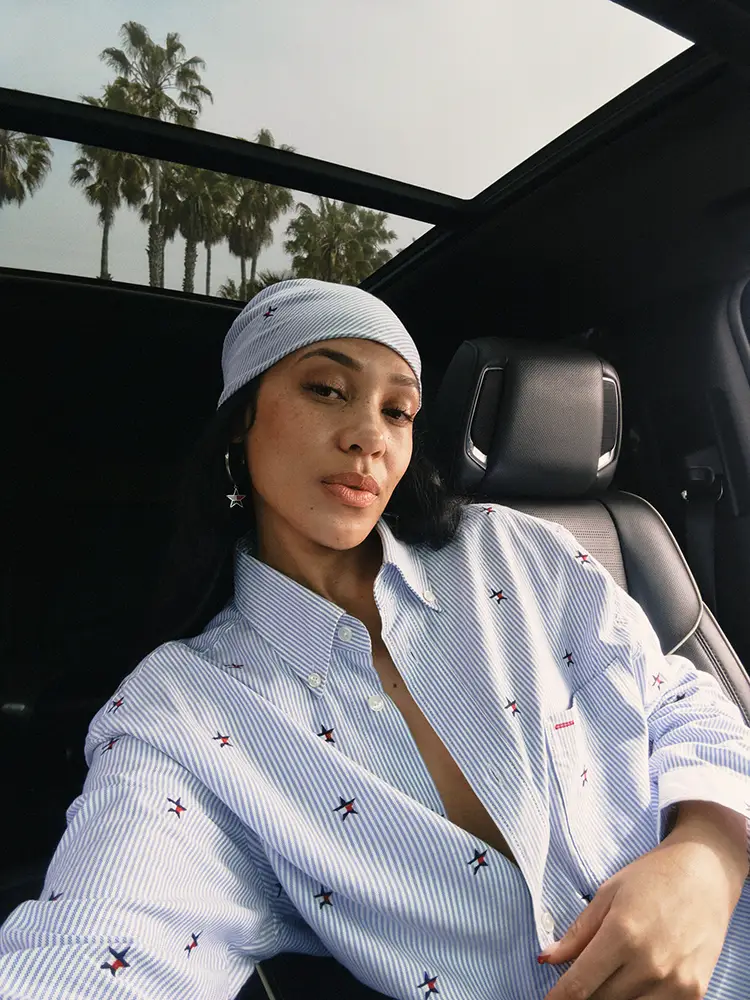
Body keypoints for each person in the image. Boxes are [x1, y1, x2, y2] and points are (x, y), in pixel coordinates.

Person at [0, 278, 748, 1000]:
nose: (369, 436)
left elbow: (677, 697)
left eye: (398, 411)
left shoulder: (516, 552)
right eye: (327, 389)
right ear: (240, 420)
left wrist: (707, 856)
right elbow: (112, 934)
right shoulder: (184, 709)